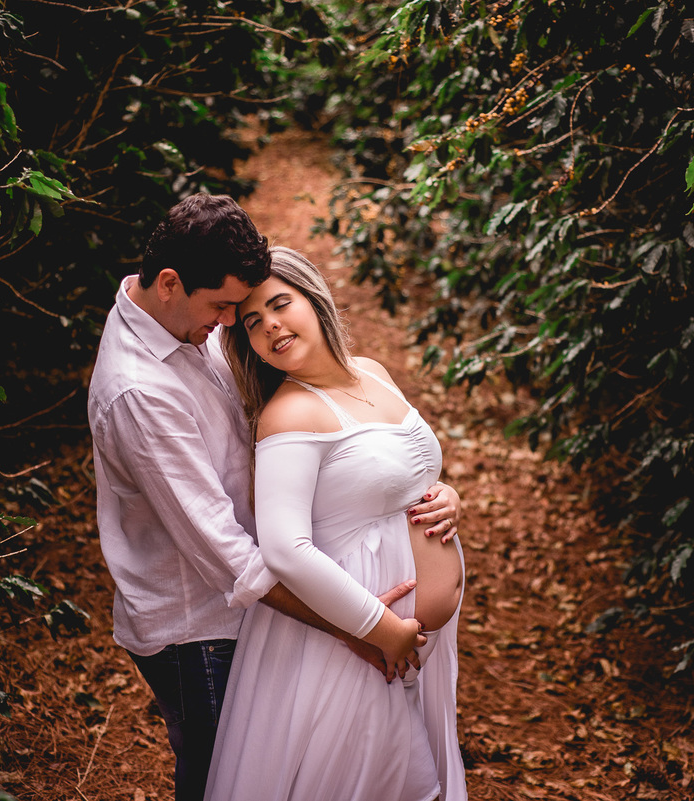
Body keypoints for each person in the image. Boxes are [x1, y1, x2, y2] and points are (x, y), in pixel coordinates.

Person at [86, 195, 460, 801]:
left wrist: (440, 494)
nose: (236, 324)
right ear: (170, 283)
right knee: (228, 783)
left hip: (268, 611)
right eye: (226, 308)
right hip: (201, 629)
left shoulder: (186, 320)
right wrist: (364, 627)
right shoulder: (139, 392)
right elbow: (228, 554)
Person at [206, 246, 467, 801]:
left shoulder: (371, 372)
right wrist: (380, 626)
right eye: (253, 322)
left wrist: (448, 495)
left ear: (314, 300)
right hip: (353, 643)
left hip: (404, 645)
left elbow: (405, 473)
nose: (271, 326)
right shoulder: (288, 414)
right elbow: (284, 548)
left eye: (281, 304)